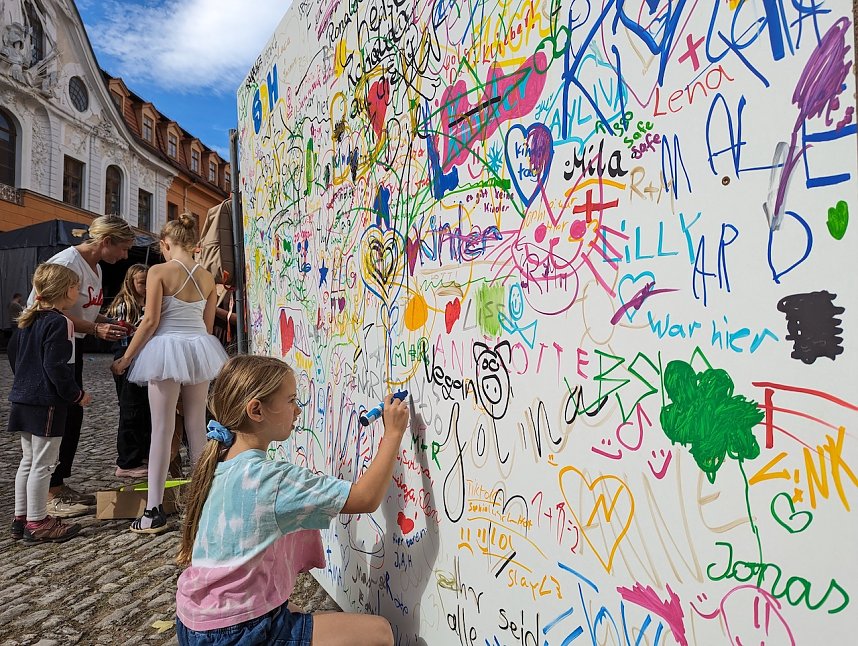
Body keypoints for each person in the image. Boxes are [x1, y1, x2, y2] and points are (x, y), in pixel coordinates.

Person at [174, 355, 403, 646]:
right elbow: (365, 498)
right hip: (237, 632)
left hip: (197, 624)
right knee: (379, 633)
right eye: (291, 400)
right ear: (256, 410)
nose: (297, 410)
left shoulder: (220, 463)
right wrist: (393, 432)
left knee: (293, 611)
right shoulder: (271, 479)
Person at [112, 214, 228, 534]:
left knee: (161, 429)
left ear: (165, 244)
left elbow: (149, 321)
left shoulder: (158, 271)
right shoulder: (207, 278)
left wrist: (126, 357)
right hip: (198, 348)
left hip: (165, 348)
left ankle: (153, 511)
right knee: (196, 428)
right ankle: (205, 504)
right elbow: (206, 328)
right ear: (193, 245)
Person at [29, 215, 133, 518]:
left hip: (71, 346)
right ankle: (48, 494)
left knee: (72, 416)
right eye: (123, 248)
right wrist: (94, 329)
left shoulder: (96, 268)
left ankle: (58, 484)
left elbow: (86, 311)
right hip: (51, 347)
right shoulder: (66, 263)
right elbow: (45, 309)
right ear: (106, 242)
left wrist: (107, 322)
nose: (125, 256)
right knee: (59, 416)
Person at [8, 264, 93, 544]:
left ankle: (21, 517)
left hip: (22, 398)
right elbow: (58, 368)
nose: (78, 292)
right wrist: (76, 395)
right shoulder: (60, 322)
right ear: (66, 290)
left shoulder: (26, 320)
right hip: (47, 402)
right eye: (75, 287)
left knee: (28, 461)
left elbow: (14, 357)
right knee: (43, 464)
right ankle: (37, 521)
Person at [107, 264, 151, 478]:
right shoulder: (124, 305)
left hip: (146, 358)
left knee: (146, 409)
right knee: (131, 410)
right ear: (130, 283)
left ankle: (143, 454)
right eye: (142, 283)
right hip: (127, 357)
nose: (146, 287)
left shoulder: (152, 301)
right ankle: (127, 460)